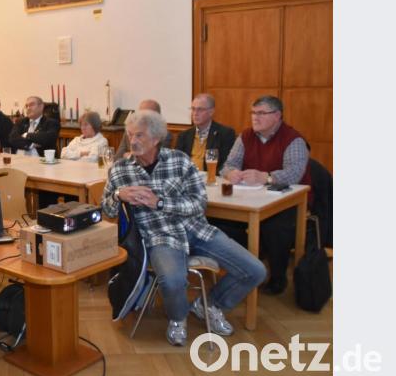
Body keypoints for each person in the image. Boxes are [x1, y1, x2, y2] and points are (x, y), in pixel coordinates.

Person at [101, 110, 265, 346]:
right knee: (173, 280)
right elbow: (106, 211)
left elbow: (199, 203)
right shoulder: (119, 170)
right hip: (159, 237)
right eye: (129, 135)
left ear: (156, 138)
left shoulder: (179, 160)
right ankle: (178, 318)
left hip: (196, 229)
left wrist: (160, 202)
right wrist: (119, 195)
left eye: (140, 136)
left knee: (255, 270)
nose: (133, 141)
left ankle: (210, 305)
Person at [220, 95, 311, 295]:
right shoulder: (245, 136)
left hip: (286, 202)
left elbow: (295, 173)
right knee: (219, 219)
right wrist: (231, 173)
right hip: (249, 199)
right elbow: (228, 164)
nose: (255, 117)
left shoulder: (293, 139)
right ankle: (247, 264)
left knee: (275, 226)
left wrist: (266, 177)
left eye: (261, 113)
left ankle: (277, 279)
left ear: (277, 116)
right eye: (253, 113)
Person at [174, 94, 235, 172]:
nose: (195, 113)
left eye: (200, 109)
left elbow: (225, 164)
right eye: (193, 109)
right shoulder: (184, 135)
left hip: (211, 178)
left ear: (211, 112)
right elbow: (176, 161)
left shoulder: (225, 134)